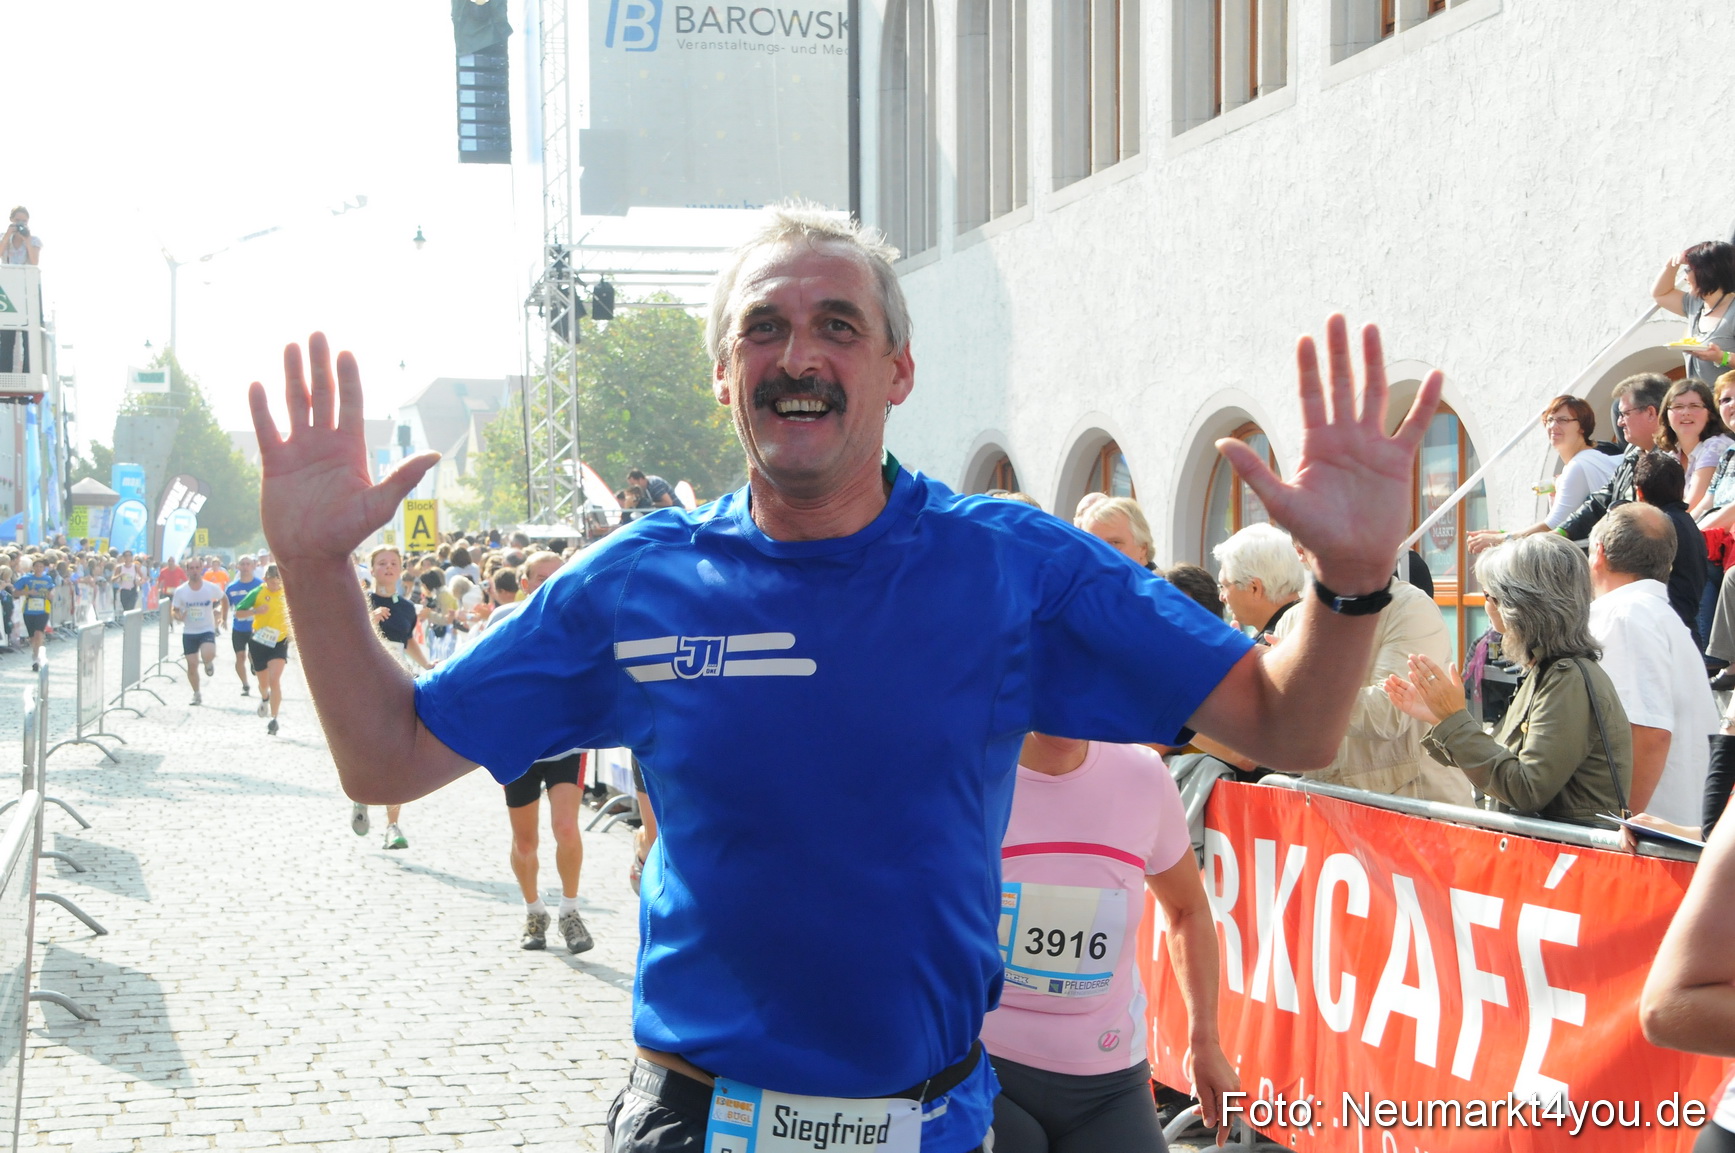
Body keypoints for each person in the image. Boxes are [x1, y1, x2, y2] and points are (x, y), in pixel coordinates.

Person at [250, 203, 1440, 1153]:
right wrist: (311, 566)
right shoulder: (636, 584)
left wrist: (1348, 581)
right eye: (763, 329)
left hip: (927, 1123)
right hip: (697, 1122)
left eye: (836, 325)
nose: (798, 354)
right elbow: (385, 757)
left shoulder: (1010, 567)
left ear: (897, 371)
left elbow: (1283, 724)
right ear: (723, 375)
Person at [982, 734, 1237, 1152]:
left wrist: (1205, 1041)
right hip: (986, 1065)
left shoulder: (1142, 775)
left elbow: (1188, 910)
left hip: (1108, 1083)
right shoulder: (972, 771)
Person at [1385, 533, 1633, 825]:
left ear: (1521, 606)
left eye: (1490, 596)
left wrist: (1454, 720)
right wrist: (1444, 719)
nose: (1486, 605)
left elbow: (1526, 789)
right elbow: (1509, 766)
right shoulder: (1551, 672)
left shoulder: (1567, 679)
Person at [486, 551, 594, 955]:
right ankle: (534, 910)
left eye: (557, 575)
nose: (549, 582)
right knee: (525, 842)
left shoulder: (581, 622)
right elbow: (483, 674)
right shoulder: (503, 619)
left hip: (567, 742)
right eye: (540, 576)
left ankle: (569, 910)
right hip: (518, 745)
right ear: (526, 581)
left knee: (566, 828)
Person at [1587, 502, 1716, 826]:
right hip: (1672, 834)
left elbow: (1649, 730)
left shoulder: (1627, 615)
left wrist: (1620, 822)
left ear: (1598, 553)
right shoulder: (1650, 614)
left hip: (1650, 845)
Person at [1469, 374, 1669, 552]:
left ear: (1582, 426)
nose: (1553, 426)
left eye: (1563, 420)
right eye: (1549, 420)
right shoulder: (1631, 454)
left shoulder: (1580, 465)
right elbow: (1598, 503)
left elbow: (1552, 526)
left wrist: (1502, 538)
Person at [1632, 449, 1708, 643]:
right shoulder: (1687, 522)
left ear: (1639, 492)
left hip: (1666, 634)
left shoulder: (1657, 528)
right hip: (1686, 631)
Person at [1652, 240, 1735, 387]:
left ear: (1706, 272)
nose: (1685, 277)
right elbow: (1660, 294)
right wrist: (1672, 263)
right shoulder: (1695, 304)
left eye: (1688, 270)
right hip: (1703, 404)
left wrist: (1722, 357)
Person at [1212, 522, 1305, 638]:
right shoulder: (1313, 619)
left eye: (1224, 586)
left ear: (1254, 588)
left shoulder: (1288, 638)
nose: (1221, 597)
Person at [1658, 378, 1734, 513]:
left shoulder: (1717, 446)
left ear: (1710, 413)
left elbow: (1692, 505)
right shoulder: (1670, 456)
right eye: (1678, 407)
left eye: (1694, 406)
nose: (1685, 412)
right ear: (1666, 415)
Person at [234, 565, 290, 735]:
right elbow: (239, 613)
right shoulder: (257, 592)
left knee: (275, 680)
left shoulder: (286, 593)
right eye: (271, 582)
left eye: (277, 583)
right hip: (259, 641)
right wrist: (256, 610)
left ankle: (274, 719)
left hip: (279, 642)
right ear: (265, 579)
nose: (275, 586)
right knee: (263, 683)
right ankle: (264, 697)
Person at [170, 565, 224, 706]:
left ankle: (208, 662)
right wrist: (178, 616)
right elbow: (174, 610)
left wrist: (222, 615)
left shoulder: (210, 587)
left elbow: (223, 599)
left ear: (201, 570)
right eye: (191, 568)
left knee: (208, 653)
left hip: (206, 628)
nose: (194, 571)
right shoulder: (181, 591)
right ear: (187, 571)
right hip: (189, 631)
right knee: (192, 664)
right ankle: (196, 693)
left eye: (196, 568)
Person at [1076, 496, 1155, 569]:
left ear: (1143, 549)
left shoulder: (1160, 583)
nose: (1102, 552)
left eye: (1114, 543)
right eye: (1094, 544)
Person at [224, 555, 263, 698]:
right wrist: (219, 615)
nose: (245, 567)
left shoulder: (260, 586)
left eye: (248, 564)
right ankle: (245, 685)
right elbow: (225, 604)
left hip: (257, 627)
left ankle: (254, 664)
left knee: (253, 655)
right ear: (238, 567)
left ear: (253, 566)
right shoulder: (232, 587)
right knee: (240, 657)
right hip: (239, 628)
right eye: (243, 564)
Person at [13, 556, 53, 670]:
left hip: (43, 610)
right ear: (33, 567)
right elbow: (15, 592)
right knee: (32, 636)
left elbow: (52, 589)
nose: (39, 568)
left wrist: (51, 594)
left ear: (44, 568)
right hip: (29, 610)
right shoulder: (26, 578)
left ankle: (37, 658)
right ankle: (35, 652)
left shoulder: (48, 579)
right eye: (37, 566)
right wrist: (28, 592)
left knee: (39, 633)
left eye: (41, 566)